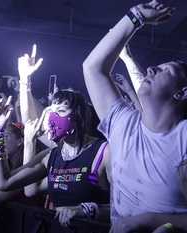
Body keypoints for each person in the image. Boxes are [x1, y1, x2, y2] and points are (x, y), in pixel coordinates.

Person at [82, 0, 187, 231]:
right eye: (156, 66)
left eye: (166, 70)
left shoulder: (184, 140)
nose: (151, 69)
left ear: (182, 93)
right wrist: (136, 16)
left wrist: (149, 219)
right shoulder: (122, 123)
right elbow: (93, 68)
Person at [0, 80, 111, 227]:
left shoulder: (104, 151)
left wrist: (88, 210)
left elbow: (130, 207)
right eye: (51, 112)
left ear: (79, 115)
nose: (53, 118)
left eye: (61, 111)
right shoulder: (50, 156)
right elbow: (3, 182)